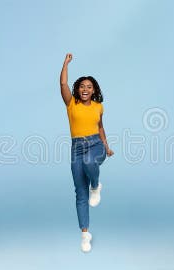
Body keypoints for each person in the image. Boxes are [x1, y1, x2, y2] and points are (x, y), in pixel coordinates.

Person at [59, 53, 114, 253]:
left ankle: (96, 185)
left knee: (91, 162)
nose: (85, 89)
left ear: (94, 91)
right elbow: (63, 84)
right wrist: (65, 64)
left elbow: (100, 128)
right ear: (78, 89)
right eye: (82, 86)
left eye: (89, 87)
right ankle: (85, 234)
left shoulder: (99, 107)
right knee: (80, 193)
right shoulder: (71, 103)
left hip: (96, 144)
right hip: (76, 148)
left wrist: (106, 146)